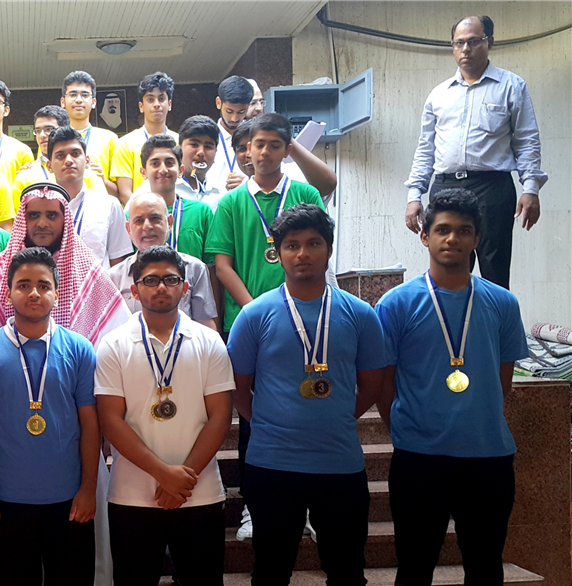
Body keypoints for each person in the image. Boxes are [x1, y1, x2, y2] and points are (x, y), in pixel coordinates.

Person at [375, 188, 529, 585]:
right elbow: (385, 383)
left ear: (477, 239)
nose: (452, 238)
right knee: (414, 568)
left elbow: (503, 381)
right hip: (419, 458)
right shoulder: (395, 304)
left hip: (488, 457)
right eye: (443, 229)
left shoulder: (503, 303)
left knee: (486, 567)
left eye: (464, 230)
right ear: (424, 236)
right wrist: (406, 430)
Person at [228, 204, 387, 586]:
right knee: (270, 572)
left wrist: (338, 416)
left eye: (313, 243)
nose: (302, 254)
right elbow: (238, 387)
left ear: (329, 249)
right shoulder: (254, 315)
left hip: (340, 464)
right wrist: (269, 422)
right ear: (278, 253)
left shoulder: (360, 314)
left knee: (347, 573)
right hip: (272, 465)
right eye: (292, 245)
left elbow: (372, 384)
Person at [206, 113, 326, 540]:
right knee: (251, 418)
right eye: (258, 144)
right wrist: (259, 310)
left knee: (306, 406)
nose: (265, 152)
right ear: (246, 150)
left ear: (287, 149)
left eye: (275, 144)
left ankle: (306, 507)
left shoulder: (305, 193)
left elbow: (319, 249)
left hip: (307, 322)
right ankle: (253, 510)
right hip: (250, 323)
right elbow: (222, 265)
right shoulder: (232, 203)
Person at [96, 245, 234, 585]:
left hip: (199, 491)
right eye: (150, 280)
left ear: (185, 288)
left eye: (170, 279)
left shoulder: (209, 342)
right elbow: (111, 420)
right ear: (134, 289)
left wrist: (182, 480)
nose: (161, 287)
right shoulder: (112, 345)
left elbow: (220, 416)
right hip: (132, 494)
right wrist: (164, 475)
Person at [0, 247, 99, 586]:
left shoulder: (79, 349)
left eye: (43, 285)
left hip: (69, 498)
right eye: (23, 285)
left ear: (57, 293)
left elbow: (90, 425)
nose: (34, 293)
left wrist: (88, 489)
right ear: (8, 293)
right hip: (6, 499)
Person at [404, 15, 546, 290]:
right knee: (447, 270)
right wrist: (414, 195)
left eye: (473, 42)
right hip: (445, 187)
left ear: (490, 42)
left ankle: (495, 319)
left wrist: (531, 188)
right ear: (452, 47)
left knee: (495, 271)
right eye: (459, 43)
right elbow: (425, 148)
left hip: (492, 188)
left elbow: (527, 140)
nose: (465, 49)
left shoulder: (511, 86)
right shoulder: (439, 94)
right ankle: (449, 320)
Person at [0, 182, 131, 343]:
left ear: (65, 220)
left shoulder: (89, 273)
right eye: (34, 215)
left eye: (51, 215)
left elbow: (119, 335)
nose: (42, 224)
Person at [110, 196, 217, 330]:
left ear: (170, 223)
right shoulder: (114, 278)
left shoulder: (195, 269)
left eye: (155, 218)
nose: (147, 226)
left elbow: (205, 324)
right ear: (128, 230)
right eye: (139, 220)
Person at [47, 126, 133, 267]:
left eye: (75, 154)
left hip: (98, 281)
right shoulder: (40, 209)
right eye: (60, 156)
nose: (68, 160)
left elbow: (118, 264)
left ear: (87, 161)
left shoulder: (109, 206)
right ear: (49, 166)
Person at [129, 134, 213, 264]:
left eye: (169, 163)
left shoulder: (201, 212)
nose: (163, 169)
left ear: (180, 170)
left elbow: (211, 265)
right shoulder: (132, 216)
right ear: (143, 172)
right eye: (155, 163)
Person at [12, 106, 105, 204]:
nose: (42, 135)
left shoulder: (84, 172)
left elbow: (102, 207)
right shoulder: (24, 176)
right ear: (49, 166)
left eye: (48, 129)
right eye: (38, 131)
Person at [111, 72, 178, 205]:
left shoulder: (180, 142)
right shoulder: (125, 143)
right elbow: (124, 193)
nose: (156, 104)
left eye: (161, 98)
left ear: (169, 104)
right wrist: (149, 211)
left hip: (176, 212)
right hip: (139, 213)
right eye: (150, 99)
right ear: (141, 106)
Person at [61, 70, 119, 196]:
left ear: (94, 102)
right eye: (73, 94)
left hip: (99, 206)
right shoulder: (54, 139)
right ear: (62, 102)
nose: (78, 100)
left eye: (85, 95)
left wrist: (102, 180)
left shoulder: (109, 138)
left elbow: (119, 193)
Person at [209, 76, 254, 194]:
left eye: (241, 112)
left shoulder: (257, 138)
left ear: (248, 106)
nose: (235, 118)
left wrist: (248, 182)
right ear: (218, 103)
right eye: (229, 111)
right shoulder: (207, 137)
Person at [174, 115, 223, 209]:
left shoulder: (220, 194)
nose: (201, 152)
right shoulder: (161, 189)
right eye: (194, 144)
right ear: (179, 148)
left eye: (208, 146)